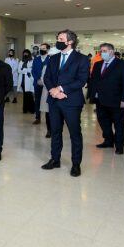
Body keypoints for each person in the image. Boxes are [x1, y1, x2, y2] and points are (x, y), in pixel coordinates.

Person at [41, 29, 90, 177]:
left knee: (75, 134)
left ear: (70, 41)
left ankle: (76, 164)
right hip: (54, 101)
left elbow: (81, 80)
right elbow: (47, 77)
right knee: (55, 132)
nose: (58, 41)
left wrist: (61, 89)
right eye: (58, 38)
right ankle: (55, 159)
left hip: (72, 102)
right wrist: (53, 90)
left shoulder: (81, 59)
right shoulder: (53, 58)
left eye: (61, 39)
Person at [89, 43, 124, 154]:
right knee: (103, 122)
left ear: (111, 51)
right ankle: (108, 140)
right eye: (101, 51)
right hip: (100, 99)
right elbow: (94, 80)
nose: (102, 53)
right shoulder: (98, 64)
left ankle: (119, 146)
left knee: (118, 124)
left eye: (104, 51)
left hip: (116, 100)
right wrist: (92, 94)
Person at [32, 43, 50, 125]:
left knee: (47, 101)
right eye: (41, 48)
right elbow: (33, 71)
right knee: (37, 100)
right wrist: (38, 79)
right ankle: (37, 117)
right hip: (37, 83)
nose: (41, 50)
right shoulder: (36, 59)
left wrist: (44, 81)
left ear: (48, 50)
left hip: (48, 85)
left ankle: (49, 118)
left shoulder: (51, 59)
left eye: (44, 48)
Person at [18, 49, 35, 114]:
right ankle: (25, 109)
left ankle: (32, 109)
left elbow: (31, 70)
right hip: (22, 80)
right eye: (24, 53)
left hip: (29, 80)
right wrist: (26, 70)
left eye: (27, 53)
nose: (25, 55)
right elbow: (19, 70)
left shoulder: (32, 61)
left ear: (29, 54)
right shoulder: (21, 61)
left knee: (29, 95)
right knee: (25, 95)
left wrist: (24, 69)